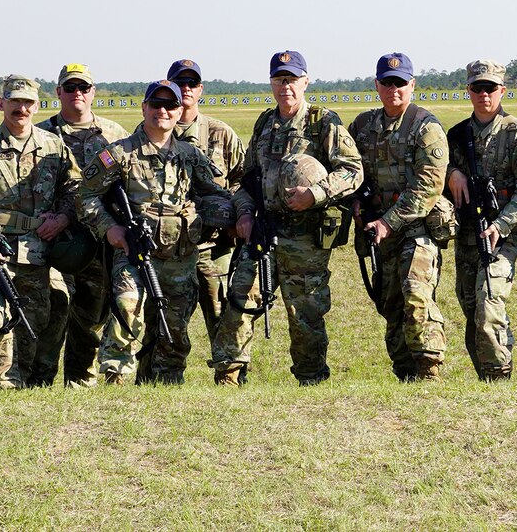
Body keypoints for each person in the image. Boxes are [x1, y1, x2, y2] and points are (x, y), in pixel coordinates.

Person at [211, 50, 363, 386]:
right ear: (271, 83)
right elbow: (247, 178)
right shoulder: (265, 122)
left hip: (305, 237)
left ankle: (311, 381)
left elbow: (353, 171)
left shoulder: (323, 122)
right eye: (280, 79)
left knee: (305, 315)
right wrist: (245, 212)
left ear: (305, 81)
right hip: (263, 232)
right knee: (239, 302)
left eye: (292, 79)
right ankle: (229, 377)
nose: (286, 87)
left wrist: (315, 194)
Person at [79, 80, 233, 385]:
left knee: (174, 326)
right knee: (126, 308)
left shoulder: (190, 154)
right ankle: (115, 378)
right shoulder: (119, 154)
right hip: (135, 253)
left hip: (180, 256)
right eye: (156, 104)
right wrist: (110, 229)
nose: (162, 111)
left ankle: (167, 385)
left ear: (179, 113)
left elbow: (212, 193)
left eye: (170, 106)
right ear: (144, 108)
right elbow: (86, 195)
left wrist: (228, 214)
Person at [0, 75, 81, 389]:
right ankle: (1, 385)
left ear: (37, 106)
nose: (21, 108)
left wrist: (63, 218)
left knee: (37, 319)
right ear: (2, 104)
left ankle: (33, 383)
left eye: (27, 102)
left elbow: (75, 191)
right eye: (14, 102)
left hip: (40, 254)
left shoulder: (54, 147)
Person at [348, 52, 449, 381]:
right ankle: (406, 377)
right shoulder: (362, 127)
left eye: (401, 82)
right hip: (379, 234)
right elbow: (348, 170)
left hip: (416, 228)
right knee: (391, 306)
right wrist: (356, 203)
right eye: (387, 82)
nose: (394, 88)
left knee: (415, 292)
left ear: (412, 84)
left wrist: (388, 222)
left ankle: (429, 372)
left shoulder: (426, 127)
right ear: (377, 85)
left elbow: (428, 187)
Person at [447, 59, 517, 381]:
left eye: (490, 88)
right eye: (477, 88)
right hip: (467, 233)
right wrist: (452, 173)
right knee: (471, 306)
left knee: (489, 303)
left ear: (502, 90)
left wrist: (501, 225)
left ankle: (499, 378)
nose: (484, 94)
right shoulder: (458, 135)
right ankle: (485, 378)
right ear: (469, 91)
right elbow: (434, 169)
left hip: (503, 234)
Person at [36, 64, 128, 387]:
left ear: (93, 92)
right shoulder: (41, 135)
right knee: (52, 311)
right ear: (58, 92)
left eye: (83, 88)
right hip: (53, 244)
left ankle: (79, 385)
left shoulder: (115, 136)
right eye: (70, 87)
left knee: (91, 319)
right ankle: (39, 384)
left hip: (98, 244)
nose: (77, 93)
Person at [165, 59, 245, 350]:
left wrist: (229, 212)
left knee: (222, 312)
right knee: (164, 317)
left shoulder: (219, 132)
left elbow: (243, 179)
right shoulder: (154, 131)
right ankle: (160, 378)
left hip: (214, 245)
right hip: (168, 247)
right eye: (179, 82)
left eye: (191, 83)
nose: (185, 88)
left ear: (200, 90)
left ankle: (230, 375)